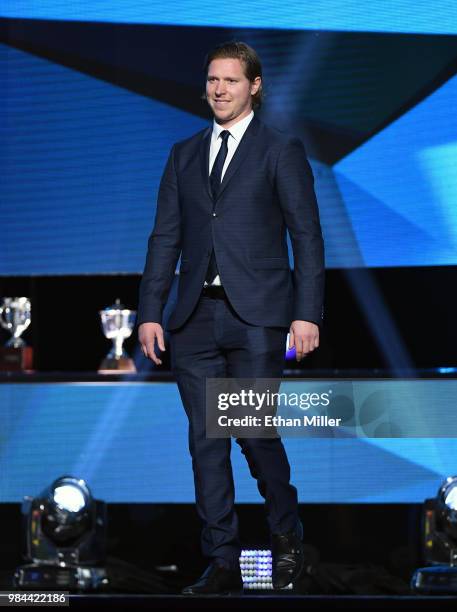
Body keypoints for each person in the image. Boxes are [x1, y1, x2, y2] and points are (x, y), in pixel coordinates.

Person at [137, 41, 325, 595]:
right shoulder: (184, 153)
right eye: (212, 80)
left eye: (231, 81)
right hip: (193, 317)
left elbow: (306, 237)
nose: (219, 89)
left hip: (258, 316)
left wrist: (305, 313)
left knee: (252, 432)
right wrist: (151, 311)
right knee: (204, 440)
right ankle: (223, 559)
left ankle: (287, 537)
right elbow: (164, 237)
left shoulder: (279, 150)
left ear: (255, 86)